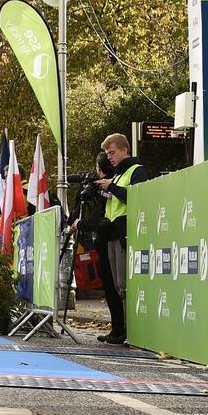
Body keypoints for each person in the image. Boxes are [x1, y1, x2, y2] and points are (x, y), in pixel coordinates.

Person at [94, 133, 150, 345]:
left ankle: (130, 332)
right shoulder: (117, 175)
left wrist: (112, 188)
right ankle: (121, 330)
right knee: (118, 286)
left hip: (126, 233)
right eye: (107, 154)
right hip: (112, 233)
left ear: (125, 150)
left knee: (125, 285)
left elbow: (138, 197)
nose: (109, 157)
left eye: (112, 152)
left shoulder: (137, 171)